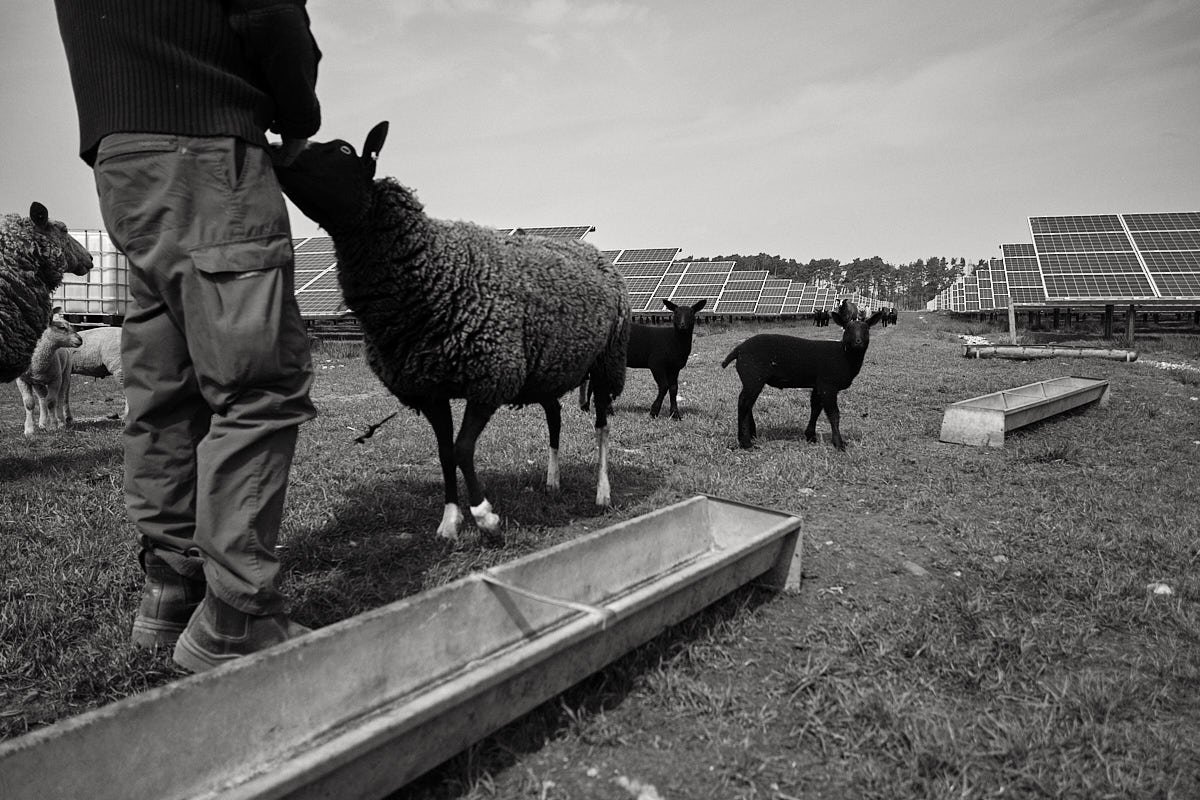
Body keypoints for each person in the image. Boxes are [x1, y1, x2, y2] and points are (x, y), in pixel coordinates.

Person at [54, 0, 322, 672]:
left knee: (165, 381)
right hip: (206, 150)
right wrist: (298, 119)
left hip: (123, 159)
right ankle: (234, 619)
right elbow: (270, 12)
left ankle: (171, 590)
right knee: (258, 381)